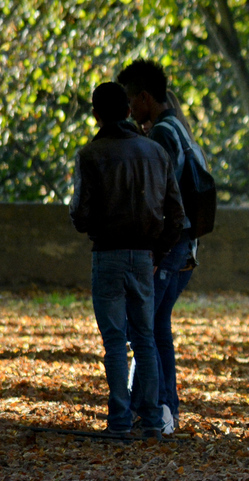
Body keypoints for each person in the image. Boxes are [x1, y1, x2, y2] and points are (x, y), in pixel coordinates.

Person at [70, 82, 185, 438]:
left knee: (115, 341)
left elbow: (79, 214)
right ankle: (151, 419)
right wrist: (158, 252)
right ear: (127, 109)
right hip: (144, 256)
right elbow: (176, 214)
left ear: (96, 114)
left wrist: (98, 226)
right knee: (145, 338)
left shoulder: (91, 154)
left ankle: (119, 420)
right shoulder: (154, 152)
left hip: (107, 255)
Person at [118, 60, 201, 432]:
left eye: (132, 102)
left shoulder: (163, 137)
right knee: (158, 325)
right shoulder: (177, 128)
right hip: (184, 244)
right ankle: (166, 409)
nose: (130, 111)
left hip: (171, 246)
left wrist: (156, 250)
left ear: (145, 98)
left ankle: (159, 409)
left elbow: (158, 196)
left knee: (147, 327)